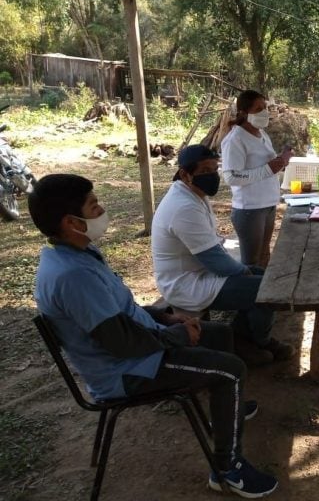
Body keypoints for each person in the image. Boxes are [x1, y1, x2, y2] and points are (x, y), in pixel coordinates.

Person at [29, 173, 278, 498]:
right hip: (126, 371)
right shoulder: (73, 275)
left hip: (138, 348)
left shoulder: (78, 255)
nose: (102, 210)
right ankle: (227, 470)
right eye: (93, 206)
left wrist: (167, 316)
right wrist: (175, 335)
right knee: (230, 371)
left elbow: (122, 309)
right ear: (71, 222)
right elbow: (121, 342)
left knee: (217, 336)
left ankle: (224, 412)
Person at [151, 144, 294, 366]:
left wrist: (246, 271)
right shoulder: (183, 207)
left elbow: (213, 251)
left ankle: (242, 339)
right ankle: (260, 342)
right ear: (184, 174)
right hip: (186, 283)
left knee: (259, 275)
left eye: (214, 169)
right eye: (205, 171)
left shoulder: (193, 194)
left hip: (199, 271)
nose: (212, 176)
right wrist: (243, 271)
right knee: (264, 289)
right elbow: (215, 261)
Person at [221, 90, 292, 268]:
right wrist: (269, 169)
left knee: (264, 255)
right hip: (249, 209)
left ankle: (262, 293)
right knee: (251, 262)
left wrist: (281, 160)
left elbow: (265, 165)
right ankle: (250, 294)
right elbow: (231, 176)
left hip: (268, 205)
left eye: (265, 107)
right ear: (244, 113)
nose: (264, 112)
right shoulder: (235, 139)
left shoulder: (262, 134)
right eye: (258, 109)